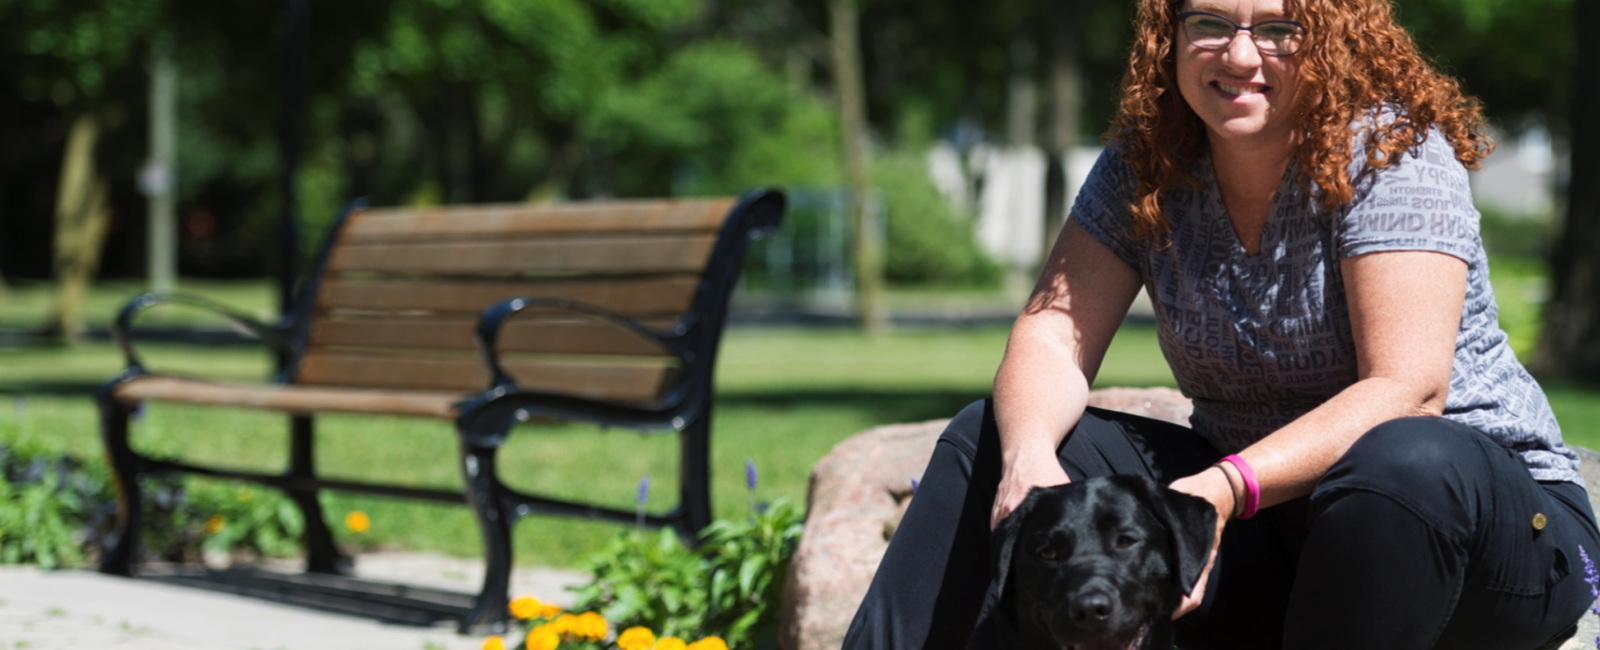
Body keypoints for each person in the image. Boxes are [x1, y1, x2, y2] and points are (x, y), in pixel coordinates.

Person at [843, 0, 1600, 648]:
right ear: (1167, 36)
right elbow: (1051, 335)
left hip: (1484, 544)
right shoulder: (1147, 164)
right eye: (1209, 22)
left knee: (1400, 458)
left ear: (1334, 34)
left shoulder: (1392, 153)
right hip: (1273, 533)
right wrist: (1030, 459)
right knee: (989, 438)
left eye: (1279, 27)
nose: (1240, 54)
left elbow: (1408, 388)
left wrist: (1219, 491)